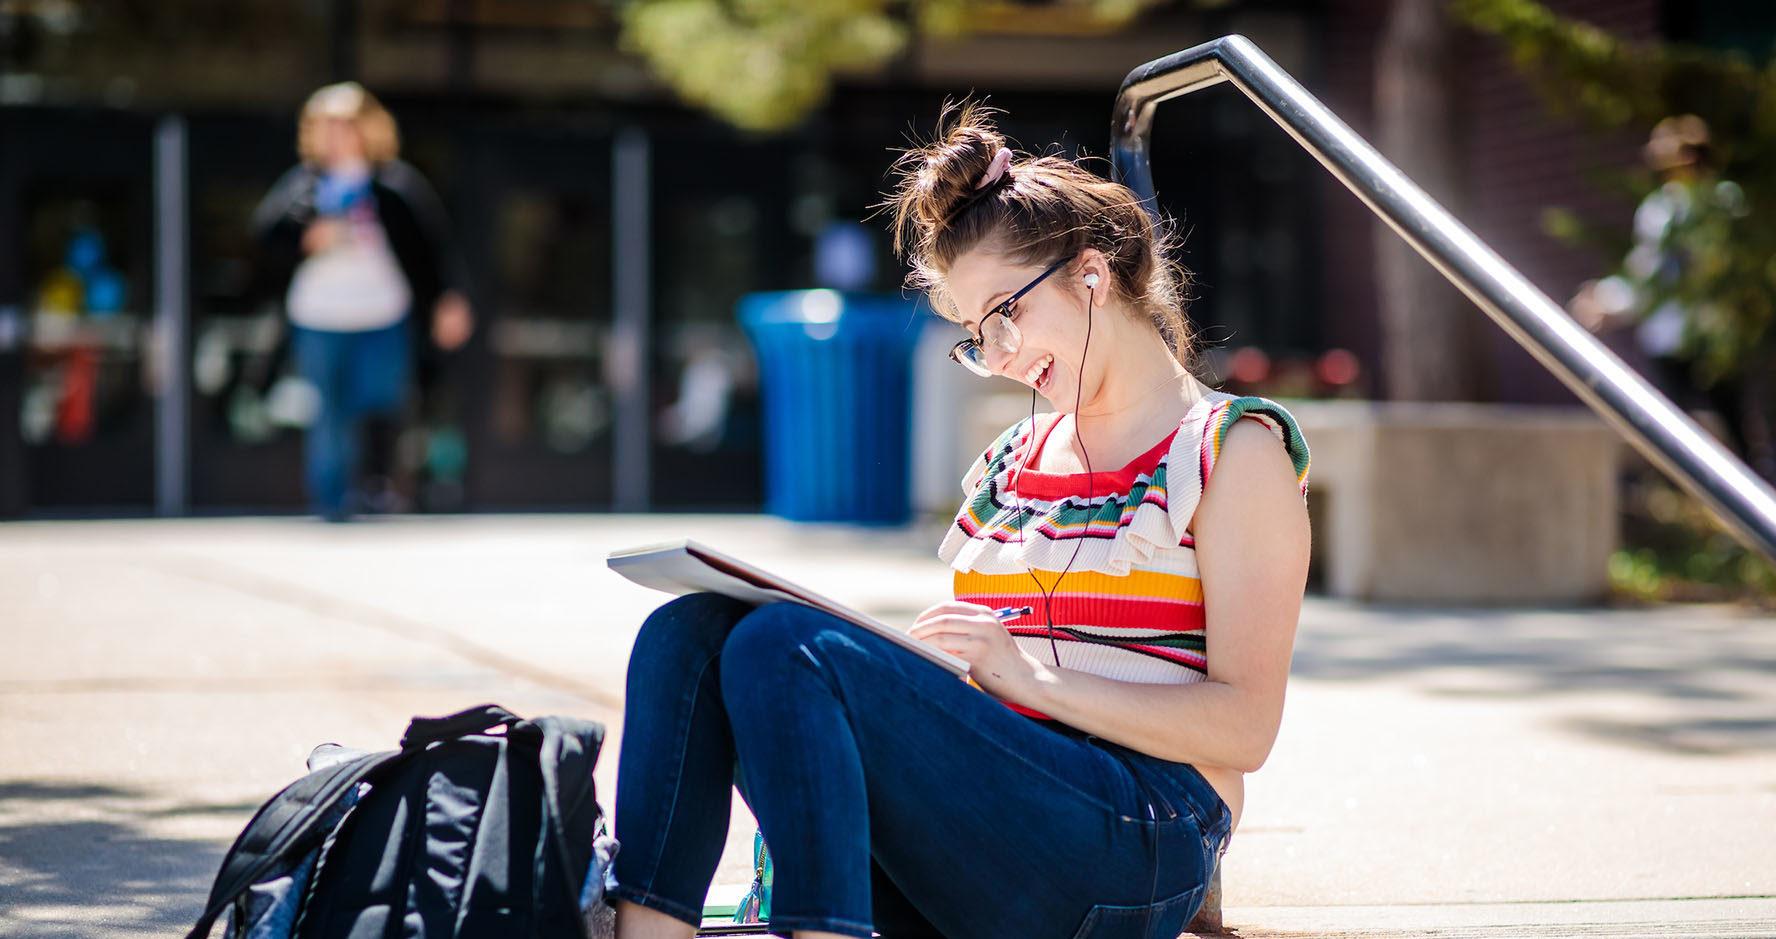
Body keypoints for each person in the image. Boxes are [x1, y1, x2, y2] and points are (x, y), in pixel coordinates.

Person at [608, 101, 1312, 939]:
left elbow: (1245, 726)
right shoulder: (1012, 457)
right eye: (978, 336)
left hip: (1138, 837)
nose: (1001, 354)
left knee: (780, 646)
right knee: (689, 631)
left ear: (1091, 273)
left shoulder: (1230, 451)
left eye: (1004, 314)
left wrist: (1032, 681)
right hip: (994, 834)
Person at [251, 82, 471, 521]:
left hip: (382, 314)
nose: (337, 136)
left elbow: (432, 249)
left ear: (367, 129)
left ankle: (376, 488)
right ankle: (333, 501)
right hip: (319, 316)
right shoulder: (304, 186)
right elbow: (266, 237)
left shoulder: (394, 185)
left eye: (346, 126)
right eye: (327, 127)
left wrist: (449, 300)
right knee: (329, 411)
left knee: (381, 399)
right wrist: (308, 238)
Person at [1569, 114, 1758, 463]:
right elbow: (1650, 273)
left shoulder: (1714, 204)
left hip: (1706, 333)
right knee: (1683, 424)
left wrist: (1609, 301)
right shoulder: (1667, 208)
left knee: (1724, 418)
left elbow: (1659, 276)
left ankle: (1744, 498)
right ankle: (1694, 501)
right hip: (1682, 333)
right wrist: (1612, 298)